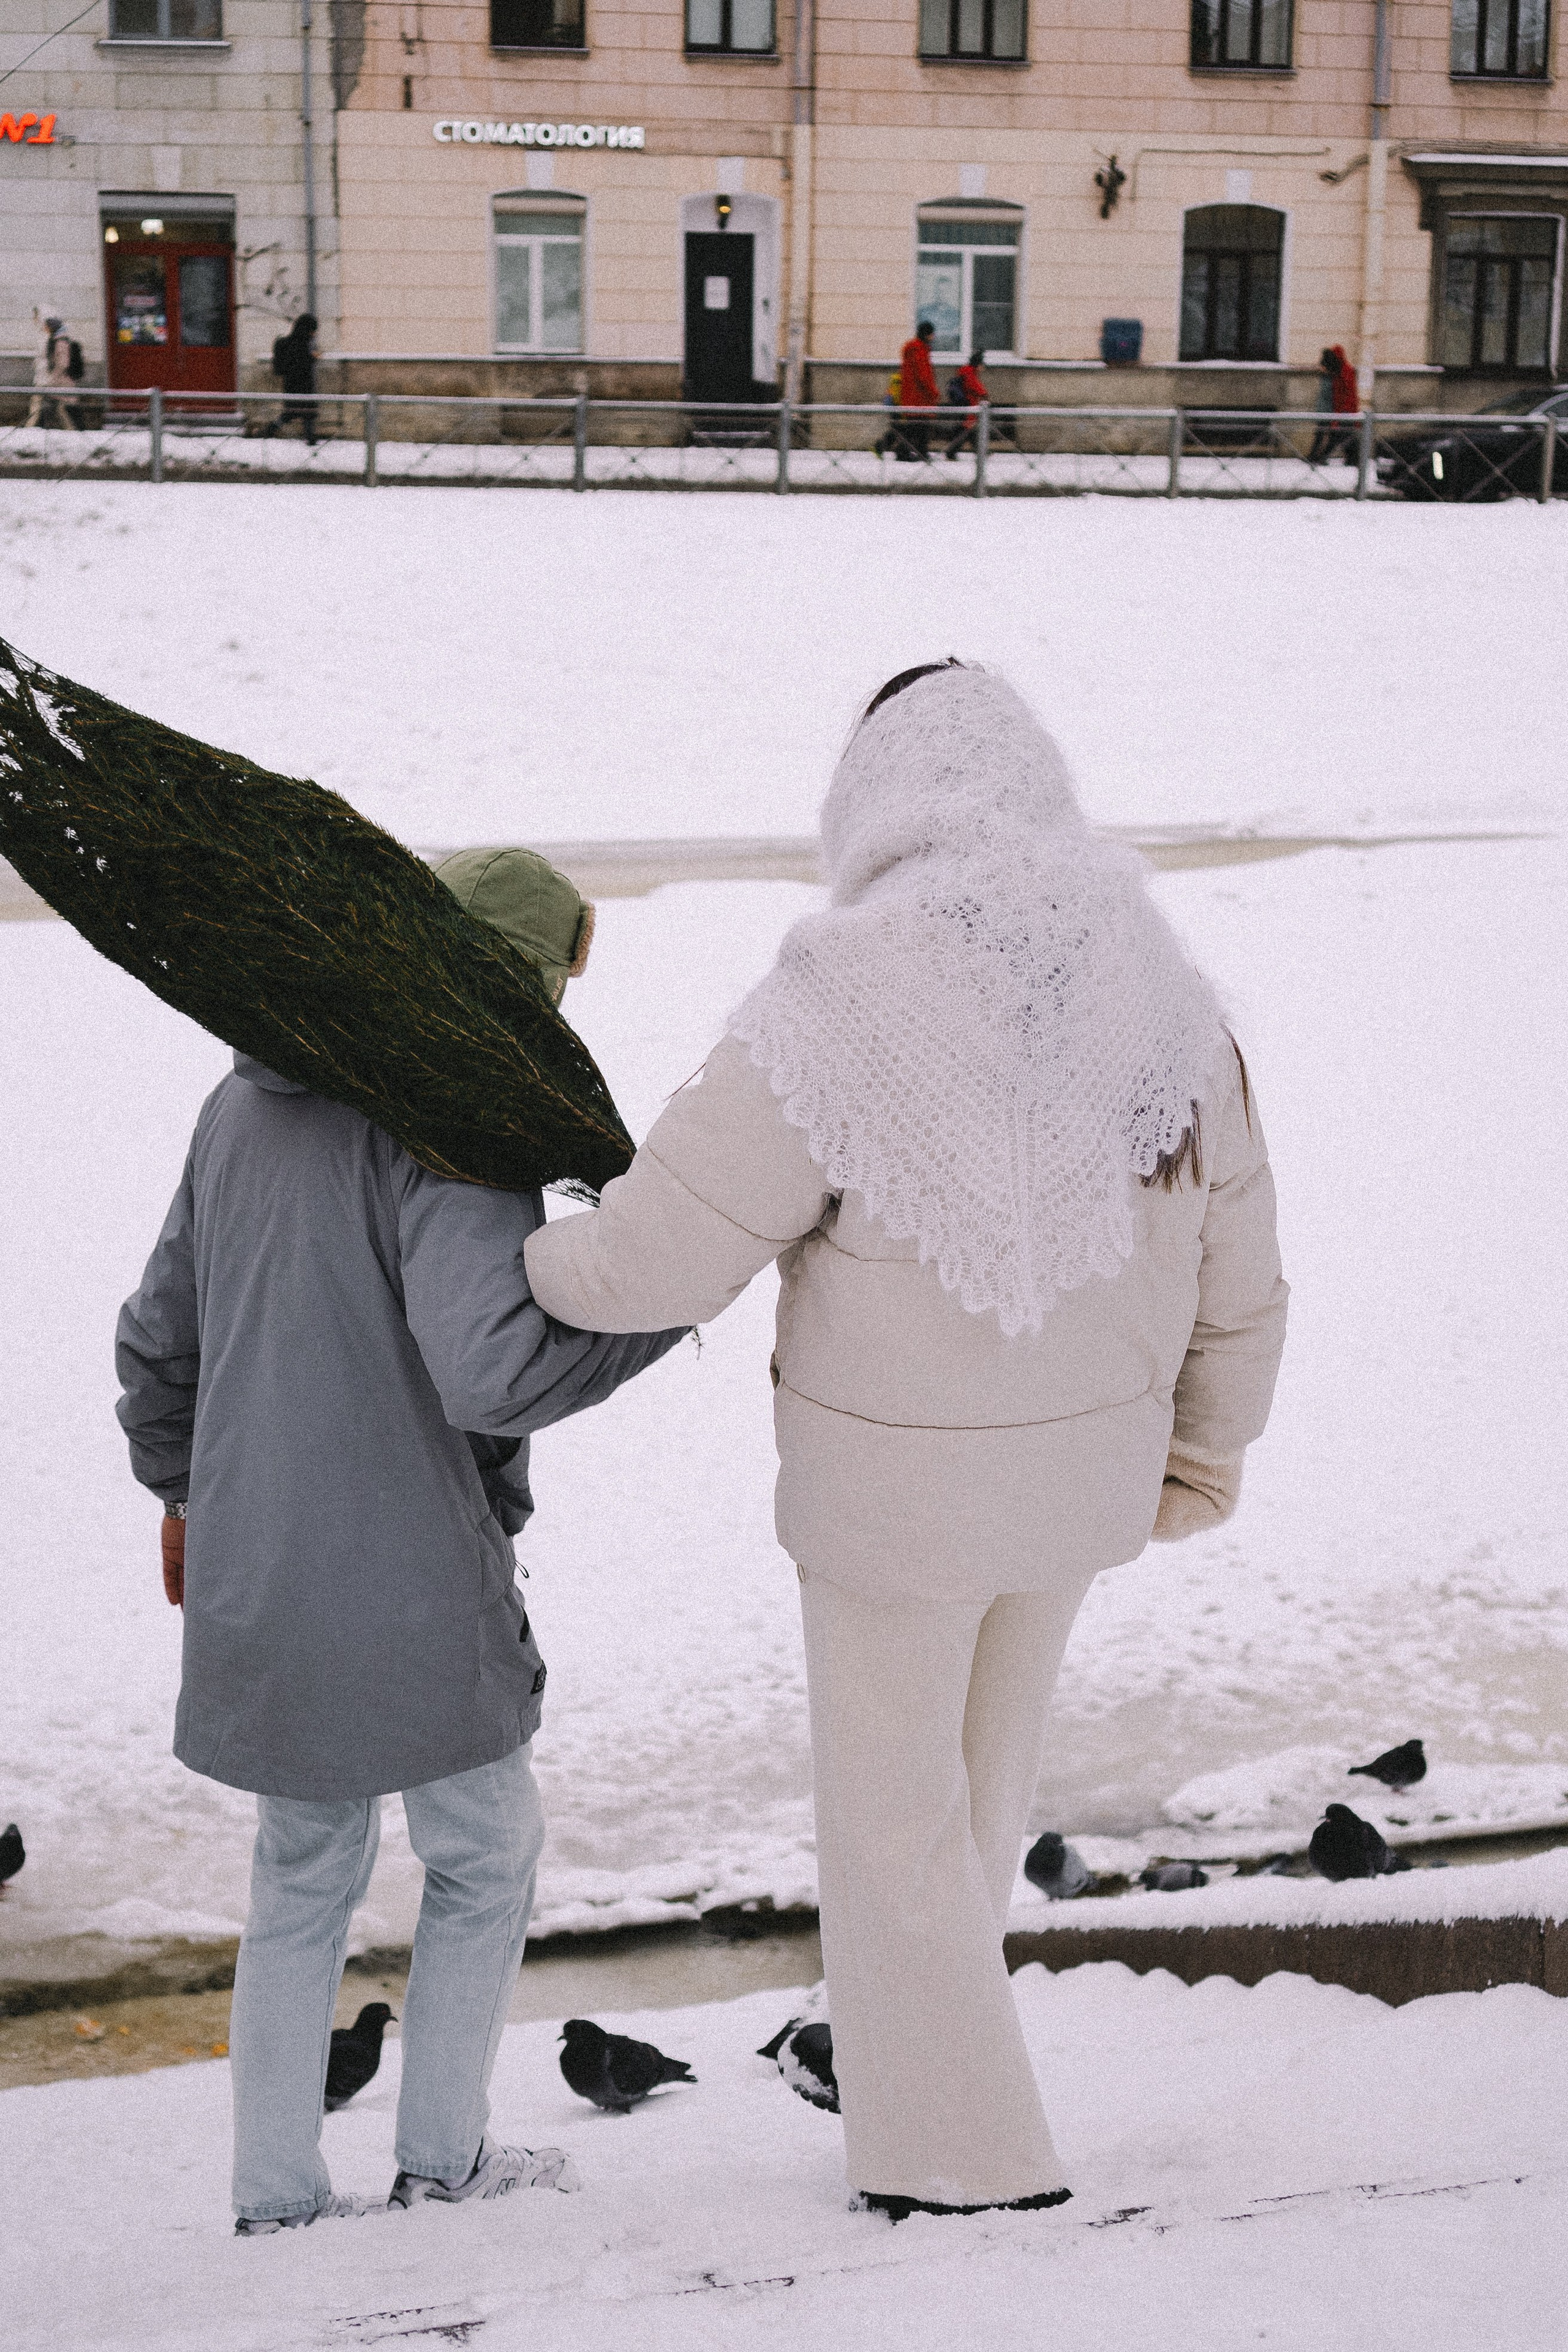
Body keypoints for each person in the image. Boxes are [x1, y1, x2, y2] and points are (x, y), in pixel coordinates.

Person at [524, 662, 1287, 2222]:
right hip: (1077, 1487)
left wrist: (526, 1253)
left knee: (894, 1828)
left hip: (892, 1507)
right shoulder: (1160, 988)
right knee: (972, 1807)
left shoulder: (837, 991)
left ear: (872, 797)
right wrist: (1201, 1456)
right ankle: (913, 2075)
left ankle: (961, 2157)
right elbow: (1239, 1270)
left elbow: (660, 1256)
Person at [116, 848, 687, 2236]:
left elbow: (158, 1338)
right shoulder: (453, 1123)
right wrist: (660, 1304)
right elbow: (491, 1372)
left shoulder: (242, 1099)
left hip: (260, 1573)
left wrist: (187, 1498)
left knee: (300, 1876)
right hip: (412, 1588)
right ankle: (445, 2160)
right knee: (484, 1855)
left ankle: (275, 2195)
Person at [893, 318, 940, 462]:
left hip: (913, 395)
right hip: (919, 397)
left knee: (917, 427)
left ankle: (919, 452)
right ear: (926, 334)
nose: (934, 337)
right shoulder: (920, 350)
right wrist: (934, 392)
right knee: (919, 427)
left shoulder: (914, 349)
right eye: (932, 334)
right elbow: (923, 375)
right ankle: (909, 452)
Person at [25, 312, 81, 431]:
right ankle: (73, 431)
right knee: (62, 408)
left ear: (51, 327)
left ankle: (31, 429)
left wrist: (53, 378)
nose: (44, 328)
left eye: (46, 326)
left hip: (61, 382)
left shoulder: (60, 342)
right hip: (61, 382)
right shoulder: (58, 339)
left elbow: (63, 364)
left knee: (62, 408)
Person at [270, 312, 318, 444]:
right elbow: (301, 363)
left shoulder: (290, 342)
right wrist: (313, 358)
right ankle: (310, 439)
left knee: (291, 413)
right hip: (302, 384)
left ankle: (269, 431)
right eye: (313, 330)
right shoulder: (301, 343)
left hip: (291, 384)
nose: (314, 334)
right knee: (306, 413)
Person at [1310, 344, 1359, 464]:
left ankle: (1322, 458)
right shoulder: (1339, 372)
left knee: (1338, 436)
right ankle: (1352, 459)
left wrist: (1344, 410)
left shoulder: (1345, 371)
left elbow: (1347, 393)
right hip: (1341, 410)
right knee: (1344, 436)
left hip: (1345, 411)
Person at [942, 351, 989, 459]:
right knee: (965, 430)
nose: (983, 368)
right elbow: (974, 386)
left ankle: (980, 450)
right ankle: (952, 452)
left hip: (968, 406)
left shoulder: (967, 371)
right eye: (982, 365)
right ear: (978, 365)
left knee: (966, 429)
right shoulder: (969, 372)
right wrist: (984, 394)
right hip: (967, 405)